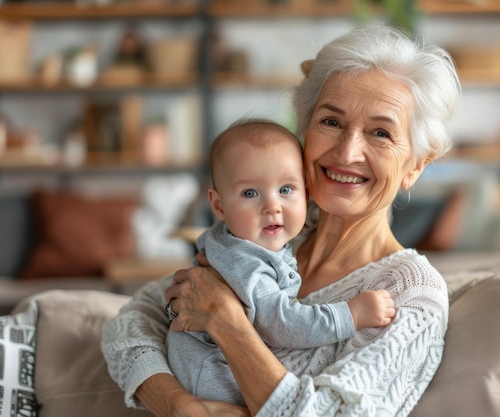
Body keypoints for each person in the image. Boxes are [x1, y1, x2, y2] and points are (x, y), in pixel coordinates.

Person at [102, 24, 460, 417]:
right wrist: (179, 406)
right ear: (303, 131)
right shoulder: (263, 234)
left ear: (415, 166)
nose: (347, 151)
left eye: (380, 132)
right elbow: (129, 324)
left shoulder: (412, 293)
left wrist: (226, 322)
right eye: (331, 122)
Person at [167, 118, 395, 405]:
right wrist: (351, 315)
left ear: (307, 193)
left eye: (286, 189)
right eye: (250, 193)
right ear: (219, 205)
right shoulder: (245, 262)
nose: (272, 206)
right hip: (212, 377)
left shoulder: (231, 238)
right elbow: (281, 324)